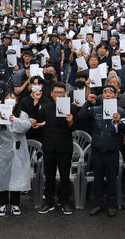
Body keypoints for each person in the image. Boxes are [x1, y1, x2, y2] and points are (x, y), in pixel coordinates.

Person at [77, 85, 125, 217]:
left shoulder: (120, 111)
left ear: (116, 95)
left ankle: (112, 205)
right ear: (102, 96)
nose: (108, 94)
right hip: (97, 149)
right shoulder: (95, 110)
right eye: (106, 93)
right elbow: (81, 115)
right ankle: (97, 204)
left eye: (111, 92)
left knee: (111, 179)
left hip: (112, 150)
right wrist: (88, 101)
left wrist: (119, 122)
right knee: (98, 179)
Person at [0, 92, 31, 217]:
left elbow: (26, 126)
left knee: (16, 177)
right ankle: (2, 204)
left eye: (13, 98)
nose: (10, 100)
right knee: (2, 178)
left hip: (18, 151)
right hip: (3, 152)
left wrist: (13, 119)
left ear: (17, 101)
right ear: (3, 100)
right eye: (7, 97)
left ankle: (15, 204)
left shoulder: (22, 114)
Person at [36, 82, 75, 215]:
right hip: (49, 146)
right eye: (57, 93)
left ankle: (64, 201)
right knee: (49, 176)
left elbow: (75, 128)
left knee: (65, 176)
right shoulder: (45, 107)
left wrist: (70, 122)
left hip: (65, 147)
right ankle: (48, 201)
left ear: (65, 94)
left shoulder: (71, 107)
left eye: (62, 93)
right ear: (52, 94)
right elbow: (39, 122)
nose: (59, 95)